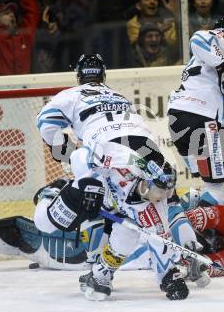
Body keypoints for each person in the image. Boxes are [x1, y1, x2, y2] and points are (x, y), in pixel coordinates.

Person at [34, 53, 201, 300]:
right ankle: (123, 272)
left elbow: (46, 122)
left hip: (105, 151)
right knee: (150, 209)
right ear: (103, 74)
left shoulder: (71, 95)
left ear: (79, 75)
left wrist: (64, 152)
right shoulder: (118, 96)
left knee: (132, 216)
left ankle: (109, 272)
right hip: (147, 148)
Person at [167, 15, 224, 209]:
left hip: (178, 119)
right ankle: (197, 235)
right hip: (203, 120)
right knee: (218, 190)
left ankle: (186, 217)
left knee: (210, 184)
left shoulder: (203, 64)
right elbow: (198, 37)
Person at [0, 0, 39, 75]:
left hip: (24, 86)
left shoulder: (24, 36)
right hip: (1, 88)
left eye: (12, 12)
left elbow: (32, 14)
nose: (12, 15)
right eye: (6, 13)